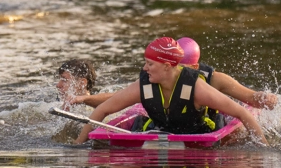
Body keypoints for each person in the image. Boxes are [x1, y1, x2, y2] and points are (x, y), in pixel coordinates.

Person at [74, 37, 266, 143]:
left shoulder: (197, 88)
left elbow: (241, 112)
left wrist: (265, 150)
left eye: (150, 63)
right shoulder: (145, 85)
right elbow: (103, 110)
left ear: (167, 66)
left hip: (196, 133)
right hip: (159, 129)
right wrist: (78, 144)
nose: (144, 68)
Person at [72, 36, 278, 111]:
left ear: (195, 68)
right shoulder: (156, 75)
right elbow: (118, 98)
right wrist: (84, 99)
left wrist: (265, 98)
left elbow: (249, 98)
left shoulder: (215, 80)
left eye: (183, 67)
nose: (176, 71)